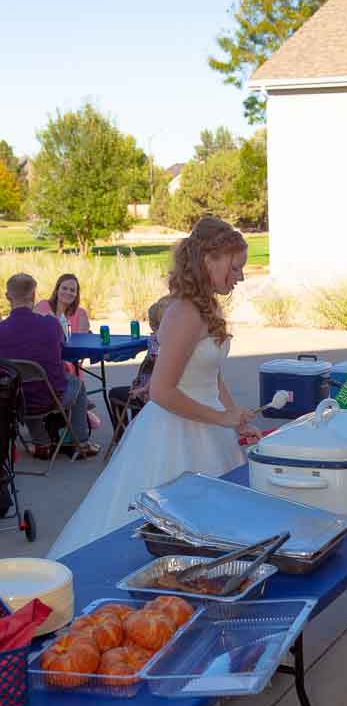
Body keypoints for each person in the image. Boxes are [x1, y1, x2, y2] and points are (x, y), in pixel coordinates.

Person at [48, 216, 260, 559]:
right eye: (235, 268)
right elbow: (162, 390)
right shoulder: (184, 312)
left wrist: (234, 416)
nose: (240, 277)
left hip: (210, 428)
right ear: (209, 260)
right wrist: (220, 418)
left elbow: (212, 374)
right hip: (176, 433)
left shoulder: (207, 307)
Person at [0, 273, 100, 460]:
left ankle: (41, 443)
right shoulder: (50, 325)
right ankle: (82, 443)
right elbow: (63, 350)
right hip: (52, 399)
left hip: (15, 403)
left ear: (8, 297)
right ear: (33, 296)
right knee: (76, 384)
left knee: (24, 385)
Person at [108, 295, 171, 431]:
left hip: (148, 394)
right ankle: (136, 430)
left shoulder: (155, 340)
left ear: (153, 324)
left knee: (114, 393)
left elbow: (159, 367)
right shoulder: (177, 340)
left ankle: (122, 435)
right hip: (165, 393)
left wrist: (144, 388)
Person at [35, 272, 90, 337]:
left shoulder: (81, 314)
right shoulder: (42, 306)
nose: (68, 292)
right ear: (57, 290)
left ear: (76, 294)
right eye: (64, 288)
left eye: (72, 290)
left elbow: (82, 342)